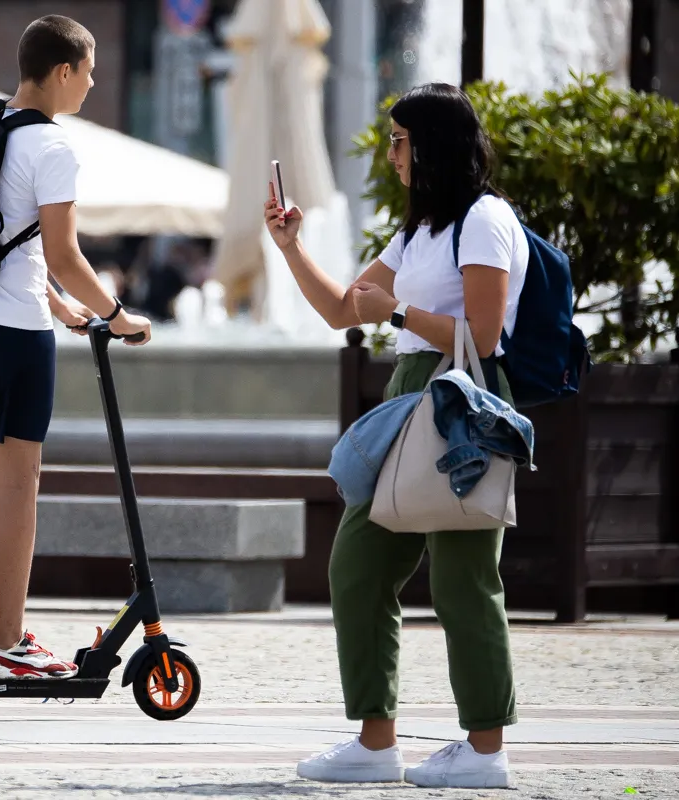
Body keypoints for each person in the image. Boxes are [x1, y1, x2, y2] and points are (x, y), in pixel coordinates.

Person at [265, 83, 525, 789]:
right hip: (410, 400)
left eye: (400, 140)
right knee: (358, 566)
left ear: (433, 145)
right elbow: (342, 312)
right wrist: (291, 249)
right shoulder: (419, 231)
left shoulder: (485, 220)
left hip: (464, 402)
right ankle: (376, 742)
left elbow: (485, 333)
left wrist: (402, 310)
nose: (391, 153)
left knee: (466, 581)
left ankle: (485, 749)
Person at [0, 15, 152, 681]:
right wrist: (118, 315)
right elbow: (63, 252)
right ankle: (6, 643)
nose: (92, 83)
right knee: (17, 485)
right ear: (62, 72)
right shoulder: (52, 147)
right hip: (12, 337)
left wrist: (59, 304)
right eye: (88, 71)